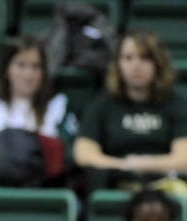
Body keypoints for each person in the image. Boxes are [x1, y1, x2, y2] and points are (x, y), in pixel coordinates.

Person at [0, 35, 78, 197]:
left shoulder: (59, 106)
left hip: (49, 188)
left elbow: (70, 153)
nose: (29, 74)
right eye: (21, 66)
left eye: (35, 67)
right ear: (7, 70)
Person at [74, 29, 187, 193]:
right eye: (128, 58)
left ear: (158, 63)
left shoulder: (175, 104)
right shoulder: (103, 104)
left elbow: (183, 159)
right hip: (114, 183)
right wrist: (123, 166)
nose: (136, 66)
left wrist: (143, 164)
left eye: (145, 58)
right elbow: (83, 154)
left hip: (163, 186)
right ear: (118, 64)